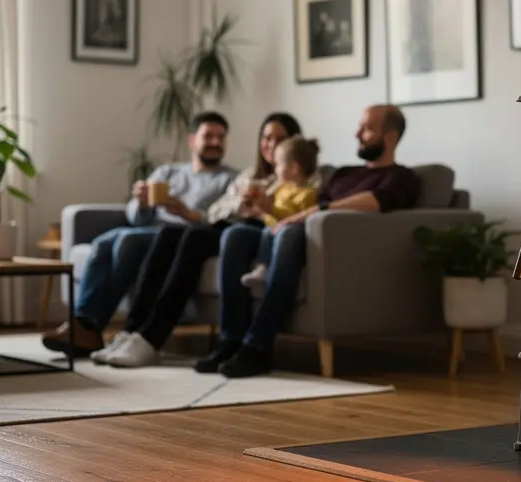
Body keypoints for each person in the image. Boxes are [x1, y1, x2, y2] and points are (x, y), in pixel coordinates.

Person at [200, 104, 421, 378]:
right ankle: (230, 341)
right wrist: (268, 208)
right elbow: (302, 201)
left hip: (320, 243)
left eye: (366, 129)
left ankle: (257, 347)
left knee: (290, 234)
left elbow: (374, 202)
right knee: (235, 235)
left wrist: (315, 213)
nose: (357, 133)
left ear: (389, 137)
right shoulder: (343, 174)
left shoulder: (401, 177)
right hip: (289, 229)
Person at [93, 113, 317, 368]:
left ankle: (151, 338)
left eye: (280, 138)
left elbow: (310, 203)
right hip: (229, 224)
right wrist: (239, 205)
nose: (271, 144)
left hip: (252, 232)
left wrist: (266, 208)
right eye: (266, 138)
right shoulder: (247, 176)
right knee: (169, 234)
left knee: (197, 237)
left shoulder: (301, 177)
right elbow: (215, 212)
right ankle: (133, 331)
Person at [41, 111, 237, 357]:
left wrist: (189, 213)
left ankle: (92, 329)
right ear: (192, 140)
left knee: (127, 239)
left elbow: (224, 220)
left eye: (221, 137)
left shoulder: (229, 179)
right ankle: (83, 324)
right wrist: (141, 202)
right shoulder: (168, 172)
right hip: (148, 228)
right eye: (208, 135)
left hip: (180, 235)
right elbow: (134, 217)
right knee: (102, 243)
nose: (215, 142)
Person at [240, 136, 320, 287]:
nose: (275, 169)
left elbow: (296, 218)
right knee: (264, 231)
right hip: (272, 228)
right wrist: (260, 208)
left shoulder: (308, 193)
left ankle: (263, 267)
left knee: (269, 233)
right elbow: (271, 213)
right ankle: (262, 266)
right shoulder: (282, 188)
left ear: (294, 168)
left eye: (278, 164)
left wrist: (271, 209)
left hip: (289, 235)